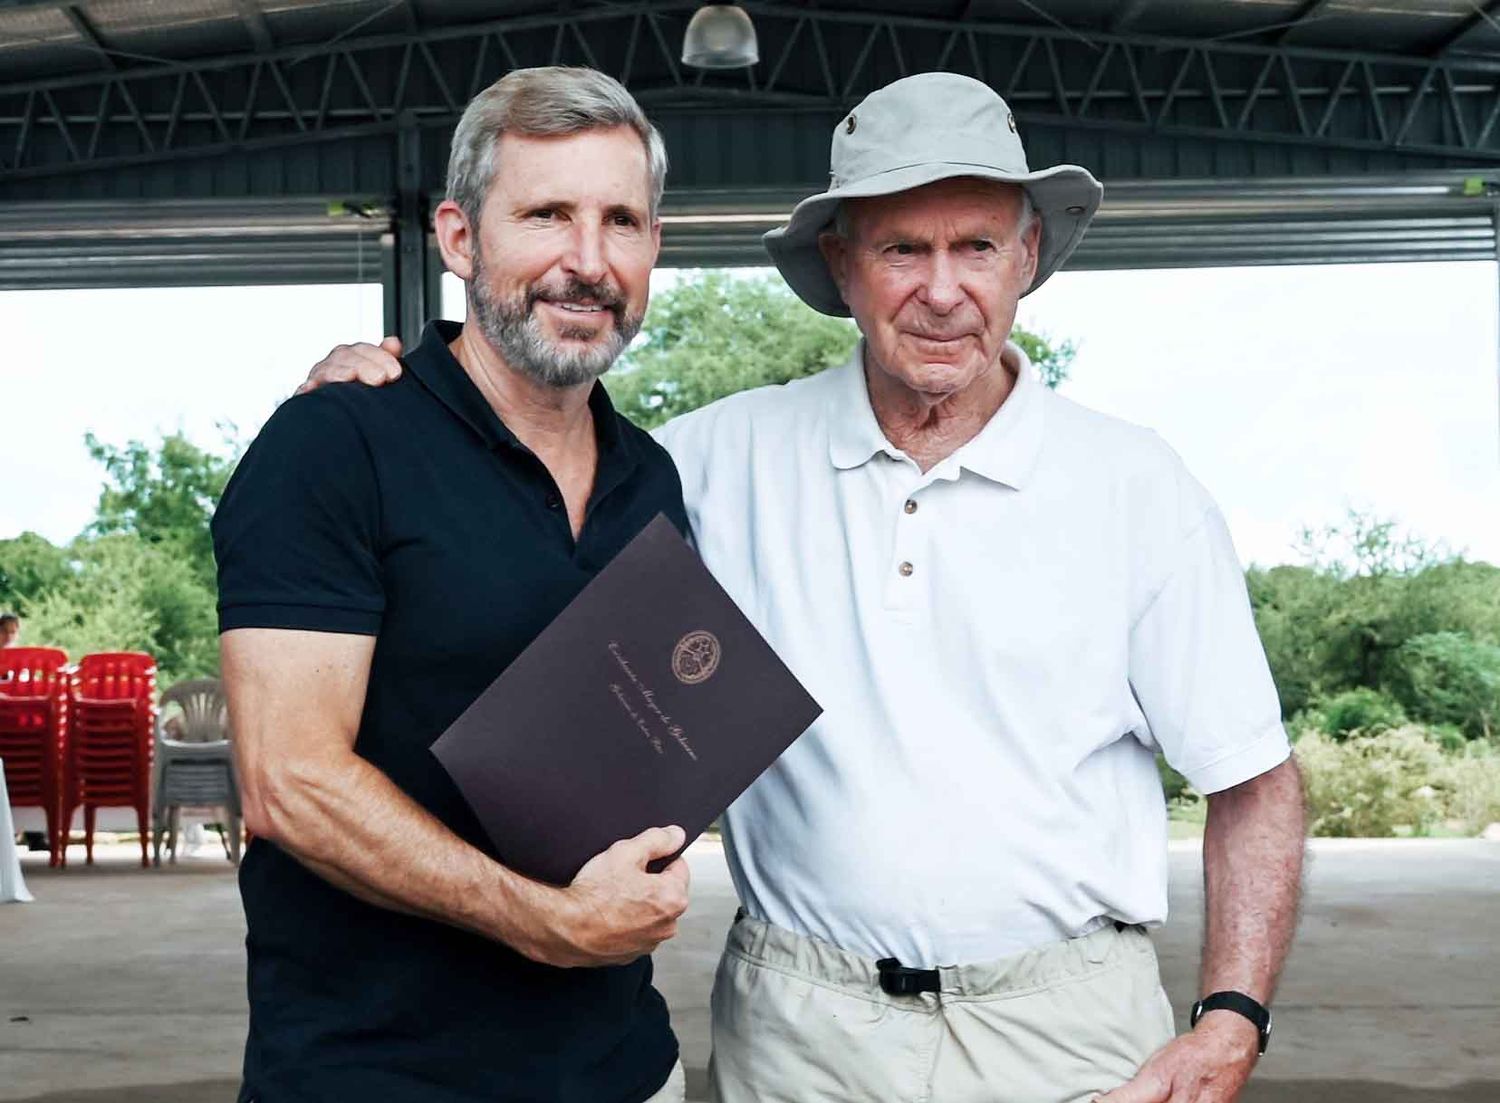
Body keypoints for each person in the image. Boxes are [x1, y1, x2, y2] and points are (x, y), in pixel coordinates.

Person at [303, 72, 1305, 1103]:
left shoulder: (1139, 487)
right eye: (902, 249)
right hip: (801, 1034)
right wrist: (379, 405)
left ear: (1029, 257)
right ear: (842, 262)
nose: (943, 287)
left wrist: (1232, 1015)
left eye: (978, 246)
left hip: (1071, 1030)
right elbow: (510, 462)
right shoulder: (710, 459)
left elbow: (1253, 782)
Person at [213, 67, 693, 1103]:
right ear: (460, 238)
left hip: (623, 1067)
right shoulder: (336, 442)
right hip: (382, 1076)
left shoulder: (650, 474)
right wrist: (551, 923)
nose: (589, 260)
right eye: (547, 215)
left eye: (623, 221)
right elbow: (288, 783)